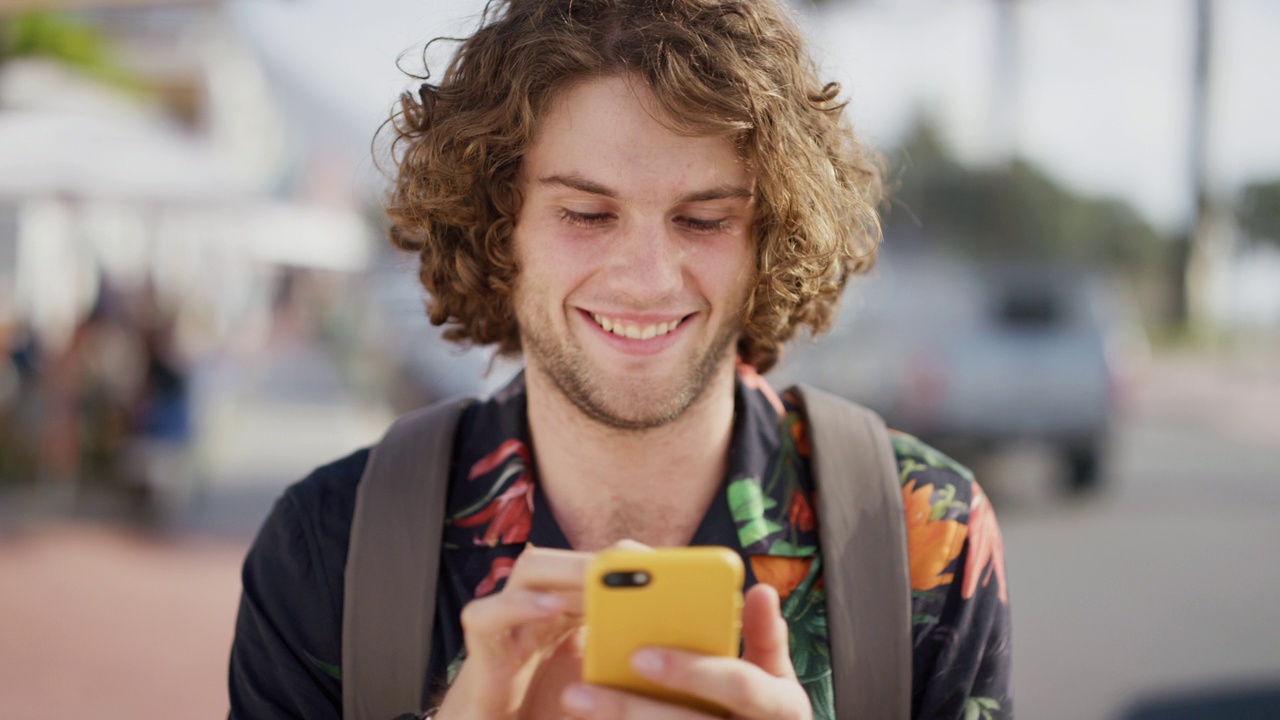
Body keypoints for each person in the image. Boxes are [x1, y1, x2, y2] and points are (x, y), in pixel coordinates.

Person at [228, 0, 1012, 718]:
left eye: (703, 220)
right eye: (587, 213)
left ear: (768, 240)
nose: (645, 277)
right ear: (501, 229)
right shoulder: (325, 547)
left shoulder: (925, 534)